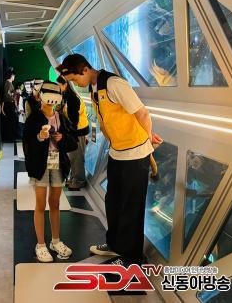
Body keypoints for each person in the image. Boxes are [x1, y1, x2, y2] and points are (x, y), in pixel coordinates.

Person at [57, 54, 163, 266]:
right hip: (117, 153)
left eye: (75, 79)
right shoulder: (94, 88)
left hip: (135, 155)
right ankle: (115, 244)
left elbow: (143, 114)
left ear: (85, 70)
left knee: (132, 208)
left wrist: (147, 140)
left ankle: (132, 258)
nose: (76, 84)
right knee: (113, 203)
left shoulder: (114, 84)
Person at [23, 81, 77, 263]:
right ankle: (40, 244)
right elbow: (27, 143)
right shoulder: (33, 118)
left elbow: (73, 141)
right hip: (40, 165)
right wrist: (40, 137)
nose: (52, 101)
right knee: (40, 204)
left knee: (55, 203)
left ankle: (55, 241)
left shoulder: (61, 117)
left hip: (58, 164)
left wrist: (62, 138)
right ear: (41, 96)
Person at [57, 76, 90, 190]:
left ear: (65, 85)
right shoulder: (66, 97)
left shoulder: (72, 99)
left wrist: (71, 136)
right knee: (73, 156)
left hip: (78, 132)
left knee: (77, 157)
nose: (58, 88)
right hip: (74, 131)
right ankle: (74, 178)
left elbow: (74, 121)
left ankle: (79, 181)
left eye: (59, 86)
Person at [1, 67, 17, 142]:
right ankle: (9, 137)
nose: (14, 77)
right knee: (9, 121)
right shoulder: (7, 83)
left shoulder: (9, 84)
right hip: (9, 104)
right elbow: (8, 95)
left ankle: (10, 137)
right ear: (11, 75)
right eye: (13, 75)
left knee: (11, 121)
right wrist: (15, 93)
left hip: (10, 104)